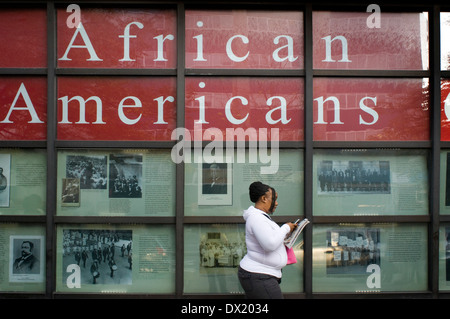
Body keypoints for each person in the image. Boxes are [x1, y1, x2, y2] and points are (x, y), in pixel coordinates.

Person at [237, 181, 297, 299]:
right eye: (274, 199)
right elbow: (269, 244)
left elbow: (270, 238)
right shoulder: (257, 219)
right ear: (264, 198)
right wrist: (286, 228)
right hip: (260, 276)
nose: (276, 203)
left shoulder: (261, 217)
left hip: (261, 275)